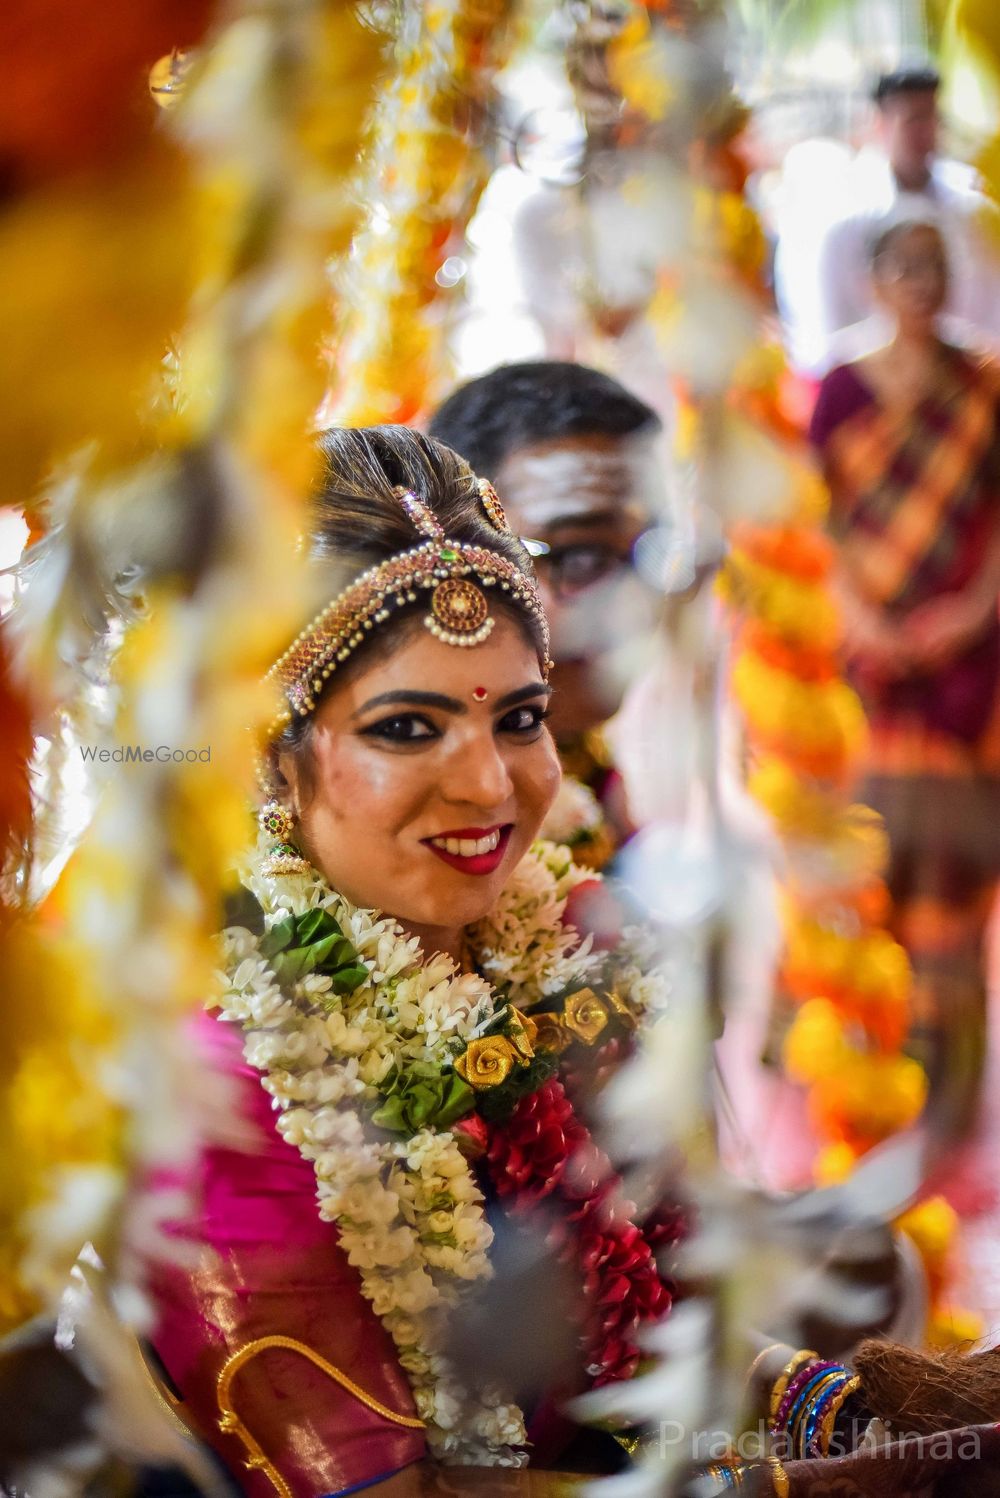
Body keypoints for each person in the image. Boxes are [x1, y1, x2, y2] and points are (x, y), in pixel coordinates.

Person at [146, 426, 1000, 1498]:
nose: (492, 789)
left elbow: (641, 1314)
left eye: (519, 719)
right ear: (272, 758)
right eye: (407, 728)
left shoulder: (546, 950)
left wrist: (849, 1415)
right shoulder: (223, 1092)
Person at [809, 217, 1000, 1138]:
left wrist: (965, 616)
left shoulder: (984, 386)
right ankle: (857, 1056)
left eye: (936, 266)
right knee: (863, 845)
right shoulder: (840, 391)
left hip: (967, 664)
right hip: (866, 665)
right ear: (873, 280)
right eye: (904, 266)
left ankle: (943, 1067)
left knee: (955, 858)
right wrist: (861, 620)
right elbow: (817, 522)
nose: (921, 282)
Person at [429, 361, 675, 860]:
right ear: (450, 553)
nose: (633, 603)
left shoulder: (598, 778)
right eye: (582, 556)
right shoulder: (403, 815)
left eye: (654, 552)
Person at [775, 63, 1000, 378]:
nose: (925, 132)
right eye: (912, 120)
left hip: (964, 381)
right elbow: (826, 330)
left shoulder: (969, 206)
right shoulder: (842, 213)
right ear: (879, 124)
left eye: (932, 118)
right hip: (877, 385)